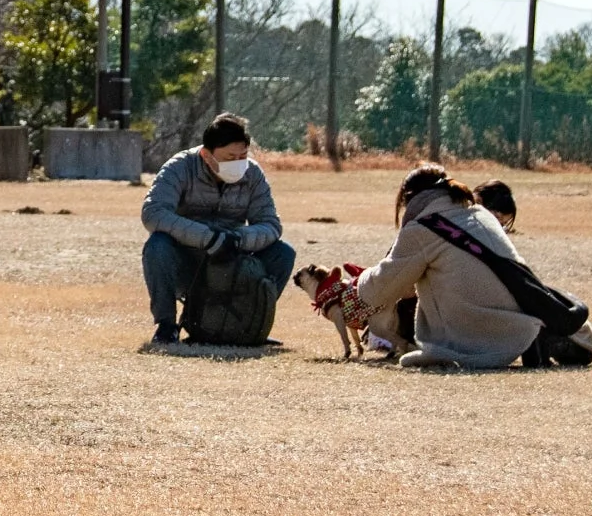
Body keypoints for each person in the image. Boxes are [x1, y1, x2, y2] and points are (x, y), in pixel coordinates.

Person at [345, 164, 556, 370]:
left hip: (474, 342)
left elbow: (377, 292)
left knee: (403, 338)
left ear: (409, 199)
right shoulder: (479, 214)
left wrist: (359, 281)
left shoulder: (421, 228)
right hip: (520, 326)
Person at [140, 112, 296, 346]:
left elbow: (271, 224)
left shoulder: (252, 173)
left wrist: (238, 239)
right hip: (187, 261)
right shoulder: (179, 167)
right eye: (229, 157)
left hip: (233, 259)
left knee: (283, 253)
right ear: (206, 154)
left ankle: (253, 324)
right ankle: (167, 326)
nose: (237, 162)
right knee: (157, 246)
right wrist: (208, 239)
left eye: (242, 155)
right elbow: (153, 213)